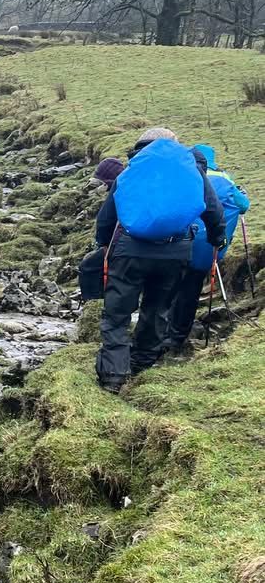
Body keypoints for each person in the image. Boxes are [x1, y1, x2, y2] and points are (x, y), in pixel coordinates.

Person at [94, 128, 226, 392]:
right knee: (157, 309)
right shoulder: (191, 169)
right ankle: (142, 363)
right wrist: (217, 237)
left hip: (130, 250)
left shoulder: (132, 169)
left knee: (117, 314)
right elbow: (212, 208)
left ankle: (113, 375)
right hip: (175, 251)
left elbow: (108, 216)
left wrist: (104, 244)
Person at [162, 144, 251, 355]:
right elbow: (243, 206)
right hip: (209, 249)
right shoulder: (225, 179)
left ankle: (158, 334)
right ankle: (177, 336)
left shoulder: (183, 177)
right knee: (190, 291)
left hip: (176, 245)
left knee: (168, 288)